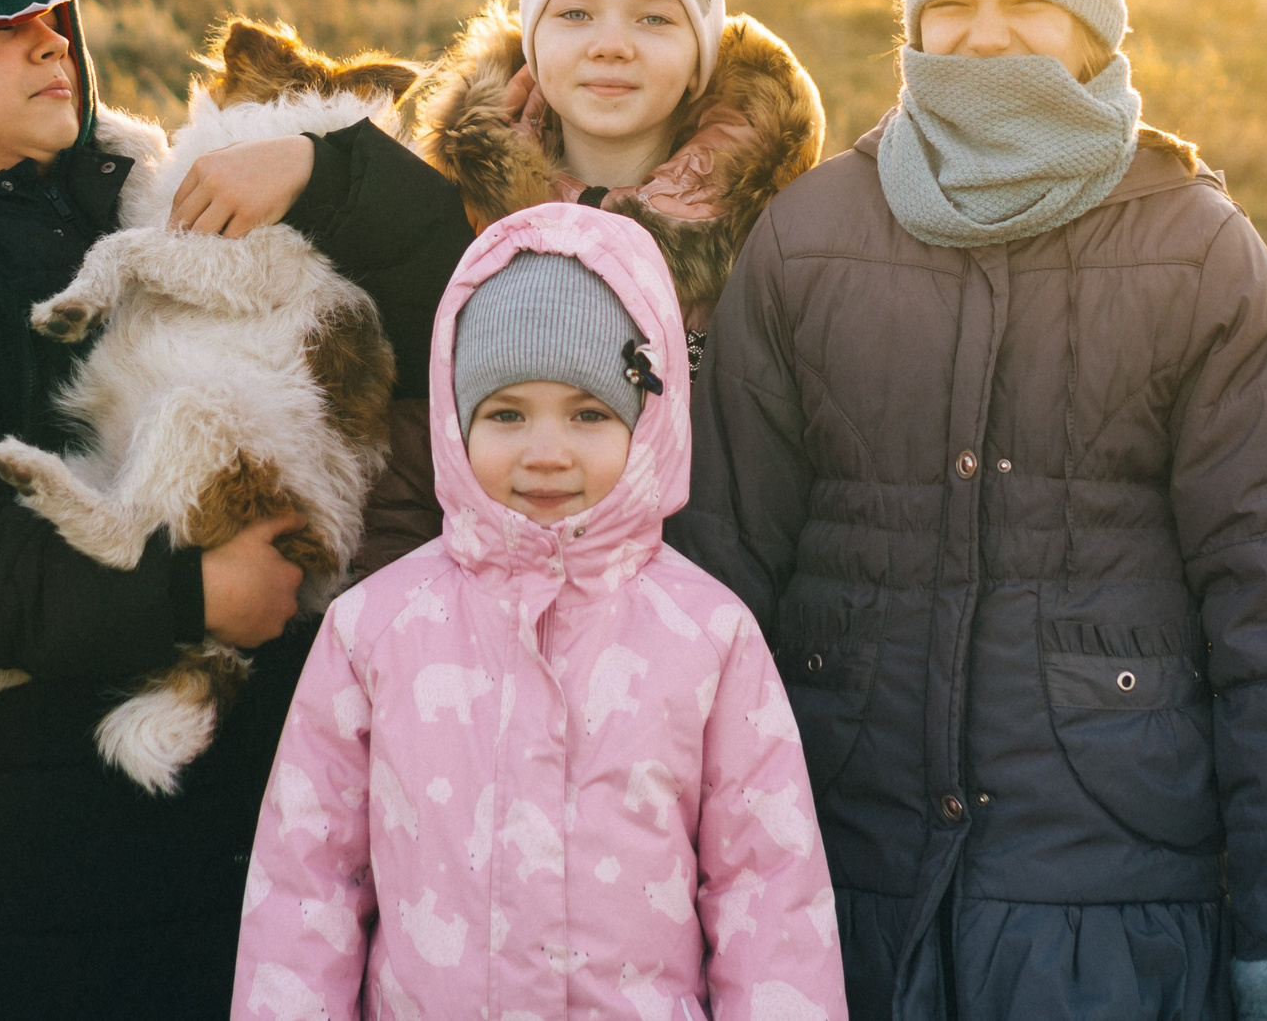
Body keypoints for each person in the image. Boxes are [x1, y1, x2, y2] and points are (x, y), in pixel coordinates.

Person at [668, 0, 1267, 1021]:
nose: (983, 37)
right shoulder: (810, 235)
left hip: (1112, 920)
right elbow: (720, 581)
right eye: (949, 8)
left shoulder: (1194, 251)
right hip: (842, 900)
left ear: (1092, 24)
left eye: (1025, 3)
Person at [0, 0, 472, 1019]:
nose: (48, 43)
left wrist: (317, 164)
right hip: (49, 819)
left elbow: (449, 291)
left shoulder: (149, 192)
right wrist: (187, 594)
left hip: (267, 786)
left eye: (53, 19)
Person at [234, 202, 849, 1021]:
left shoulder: (708, 634)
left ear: (648, 417)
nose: (547, 450)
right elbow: (306, 882)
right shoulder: (375, 627)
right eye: (507, 413)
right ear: (457, 421)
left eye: (589, 413)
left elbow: (768, 891)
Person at [358, 0, 826, 570]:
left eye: (654, 18)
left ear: (701, 49)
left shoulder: (765, 229)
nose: (611, 44)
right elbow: (414, 449)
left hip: (693, 611)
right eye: (574, 14)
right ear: (534, 35)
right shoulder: (459, 213)